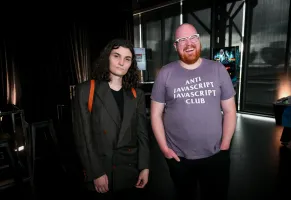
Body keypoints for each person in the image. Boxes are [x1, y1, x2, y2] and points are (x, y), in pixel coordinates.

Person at [150, 23, 236, 200]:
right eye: (182, 40)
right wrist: (165, 149)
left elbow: (229, 111)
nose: (188, 43)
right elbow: (155, 114)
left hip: (216, 155)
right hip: (179, 158)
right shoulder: (165, 73)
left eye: (192, 38)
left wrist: (225, 145)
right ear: (176, 46)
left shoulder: (218, 69)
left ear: (199, 41)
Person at [73, 38, 150, 200]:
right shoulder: (86, 90)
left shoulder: (137, 95)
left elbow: (142, 135)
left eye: (127, 59)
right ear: (107, 57)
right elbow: (83, 138)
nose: (121, 62)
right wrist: (96, 172)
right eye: (116, 56)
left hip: (129, 170)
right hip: (101, 170)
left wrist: (144, 167)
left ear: (131, 64)